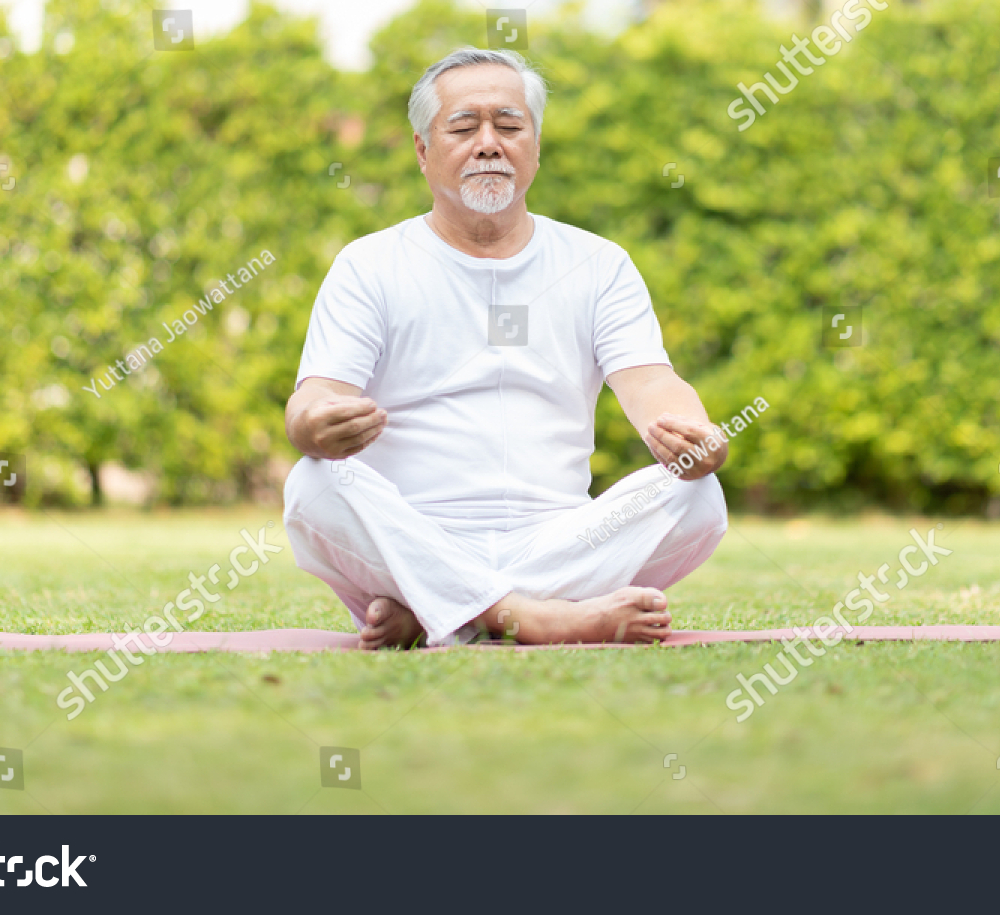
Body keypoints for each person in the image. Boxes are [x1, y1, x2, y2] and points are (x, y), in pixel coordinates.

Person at [283, 47, 729, 648]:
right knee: (312, 485)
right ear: (423, 151)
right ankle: (536, 616)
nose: (489, 143)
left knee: (697, 494)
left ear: (535, 145)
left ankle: (444, 609)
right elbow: (314, 401)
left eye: (510, 126)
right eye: (464, 127)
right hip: (413, 534)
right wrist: (316, 426)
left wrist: (693, 434)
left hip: (559, 540)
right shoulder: (369, 265)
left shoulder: (598, 264)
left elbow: (652, 384)